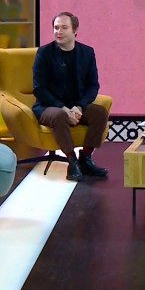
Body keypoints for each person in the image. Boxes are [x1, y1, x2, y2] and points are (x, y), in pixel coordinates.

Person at [32, 12, 110, 182]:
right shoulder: (44, 53)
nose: (59, 32)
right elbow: (39, 89)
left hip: (76, 105)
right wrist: (63, 108)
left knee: (100, 113)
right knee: (59, 116)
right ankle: (72, 161)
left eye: (64, 28)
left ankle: (85, 159)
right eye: (56, 28)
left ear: (75, 31)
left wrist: (80, 106)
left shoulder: (87, 53)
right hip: (48, 106)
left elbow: (93, 85)